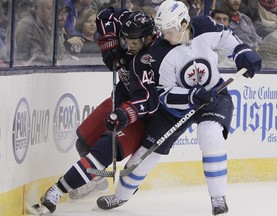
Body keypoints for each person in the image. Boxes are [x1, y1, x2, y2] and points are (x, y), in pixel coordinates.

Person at [96, 1, 262, 216]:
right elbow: (165, 94)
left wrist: (242, 52)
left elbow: (226, 37)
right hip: (176, 105)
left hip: (213, 94)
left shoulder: (205, 26)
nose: (164, 36)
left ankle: (218, 198)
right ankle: (120, 196)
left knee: (211, 136)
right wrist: (192, 95)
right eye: (162, 31)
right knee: (148, 151)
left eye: (169, 31)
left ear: (184, 23)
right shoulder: (159, 53)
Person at [31, 9, 157, 215]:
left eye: (135, 42)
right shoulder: (133, 27)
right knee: (83, 139)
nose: (130, 46)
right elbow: (105, 15)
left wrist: (127, 114)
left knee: (102, 152)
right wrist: (111, 45)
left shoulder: (158, 55)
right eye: (127, 40)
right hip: (122, 100)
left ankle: (55, 192)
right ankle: (96, 180)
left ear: (149, 38)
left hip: (142, 117)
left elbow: (151, 100)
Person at [15, 0, 54, 65]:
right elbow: (36, 57)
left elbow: (59, 53)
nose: (52, 12)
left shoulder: (46, 25)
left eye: (54, 9)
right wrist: (55, 62)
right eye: (49, 8)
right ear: (37, 9)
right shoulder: (27, 26)